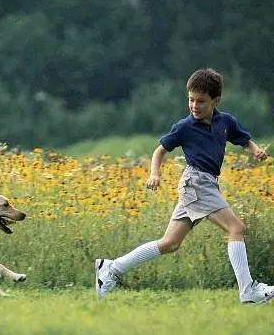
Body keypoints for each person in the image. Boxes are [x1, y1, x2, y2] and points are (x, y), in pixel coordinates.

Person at [95, 68, 273, 304]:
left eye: (201, 101)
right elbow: (160, 151)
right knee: (236, 229)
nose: (194, 106)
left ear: (215, 101)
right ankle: (248, 290)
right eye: (190, 100)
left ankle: (110, 268)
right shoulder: (184, 127)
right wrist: (154, 174)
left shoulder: (225, 121)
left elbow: (242, 138)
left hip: (205, 184)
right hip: (196, 183)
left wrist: (255, 150)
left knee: (170, 244)